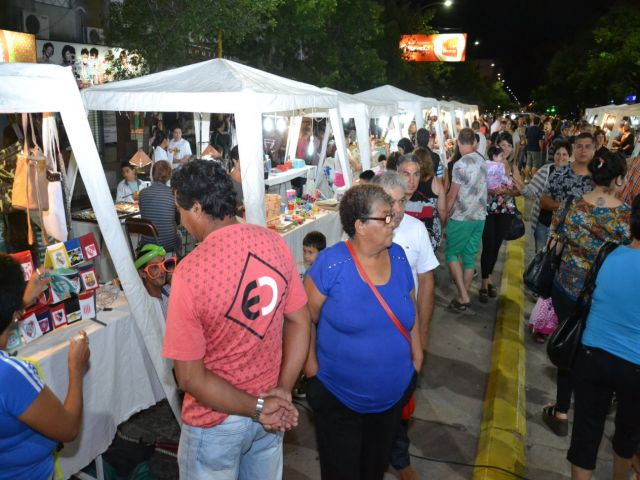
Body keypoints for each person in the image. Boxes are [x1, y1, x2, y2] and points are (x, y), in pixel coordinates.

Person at [162, 160, 309, 479]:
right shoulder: (273, 243)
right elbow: (300, 321)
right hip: (270, 408)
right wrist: (282, 390)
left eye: (181, 210)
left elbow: (189, 378)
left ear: (197, 208)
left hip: (217, 421)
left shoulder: (190, 272)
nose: (181, 219)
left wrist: (260, 406)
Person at [304, 184, 422, 480]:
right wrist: (311, 369)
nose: (393, 221)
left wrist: (416, 360)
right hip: (338, 398)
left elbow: (411, 308)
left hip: (391, 398)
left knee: (373, 470)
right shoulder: (331, 264)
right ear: (360, 225)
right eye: (385, 217)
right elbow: (305, 319)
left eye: (392, 214)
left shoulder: (398, 258)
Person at [543, 151, 631, 437]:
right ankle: (591, 408)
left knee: (569, 346)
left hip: (567, 288)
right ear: (619, 178)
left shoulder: (572, 205)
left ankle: (561, 412)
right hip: (604, 295)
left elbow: (554, 243)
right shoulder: (627, 216)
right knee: (594, 352)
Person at [568, 195, 640, 480]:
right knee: (628, 437)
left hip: (592, 355)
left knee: (586, 434)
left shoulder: (608, 253)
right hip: (635, 366)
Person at [372, 171, 438, 480]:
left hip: (403, 334)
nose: (397, 209)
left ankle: (399, 458)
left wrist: (421, 337)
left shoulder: (415, 231)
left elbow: (426, 283)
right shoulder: (363, 232)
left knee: (400, 403)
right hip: (371, 336)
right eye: (390, 202)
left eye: (400, 201)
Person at [0, 254, 90, 479]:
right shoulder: (11, 375)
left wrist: (19, 302)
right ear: (12, 314)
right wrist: (75, 369)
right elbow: (68, 428)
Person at [444, 128, 488, 313]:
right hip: (479, 217)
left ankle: (463, 296)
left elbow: (452, 194)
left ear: (459, 142)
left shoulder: (460, 164)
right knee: (469, 257)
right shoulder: (482, 160)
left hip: (462, 217)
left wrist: (444, 214)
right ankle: (464, 296)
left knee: (451, 255)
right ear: (475, 142)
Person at [479, 139, 521, 303]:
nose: (505, 149)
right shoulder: (487, 165)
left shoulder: (513, 167)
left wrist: (507, 191)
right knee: (488, 244)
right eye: (502, 145)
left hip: (506, 211)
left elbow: (519, 190)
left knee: (496, 246)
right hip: (488, 210)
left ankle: (488, 278)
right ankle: (484, 282)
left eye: (508, 146)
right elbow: (478, 185)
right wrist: (488, 190)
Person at [518, 140, 572, 252]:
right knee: (540, 255)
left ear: (569, 156)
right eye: (558, 154)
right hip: (542, 223)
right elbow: (531, 192)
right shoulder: (545, 170)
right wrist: (522, 188)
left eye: (564, 154)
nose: (560, 157)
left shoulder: (574, 175)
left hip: (562, 227)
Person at [401, 149, 446, 251]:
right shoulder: (436, 182)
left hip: (409, 227)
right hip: (430, 228)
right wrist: (443, 224)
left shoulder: (408, 181)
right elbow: (442, 209)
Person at [138, 161, 180, 254]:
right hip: (167, 245)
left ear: (152, 175)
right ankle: (176, 264)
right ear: (169, 176)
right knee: (179, 236)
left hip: (147, 245)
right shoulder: (173, 194)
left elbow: (144, 215)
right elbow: (178, 220)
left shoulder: (142, 194)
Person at [135, 244, 174, 318]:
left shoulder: (170, 291)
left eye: (163, 264)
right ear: (143, 273)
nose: (162, 271)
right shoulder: (145, 307)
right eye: (155, 267)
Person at [524, 116, 545, 182]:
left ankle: (526, 179)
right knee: (535, 165)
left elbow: (526, 138)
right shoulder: (540, 131)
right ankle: (533, 179)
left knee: (528, 164)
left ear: (533, 122)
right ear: (539, 122)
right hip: (536, 149)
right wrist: (541, 150)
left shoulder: (529, 129)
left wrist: (528, 144)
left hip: (529, 148)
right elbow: (540, 142)